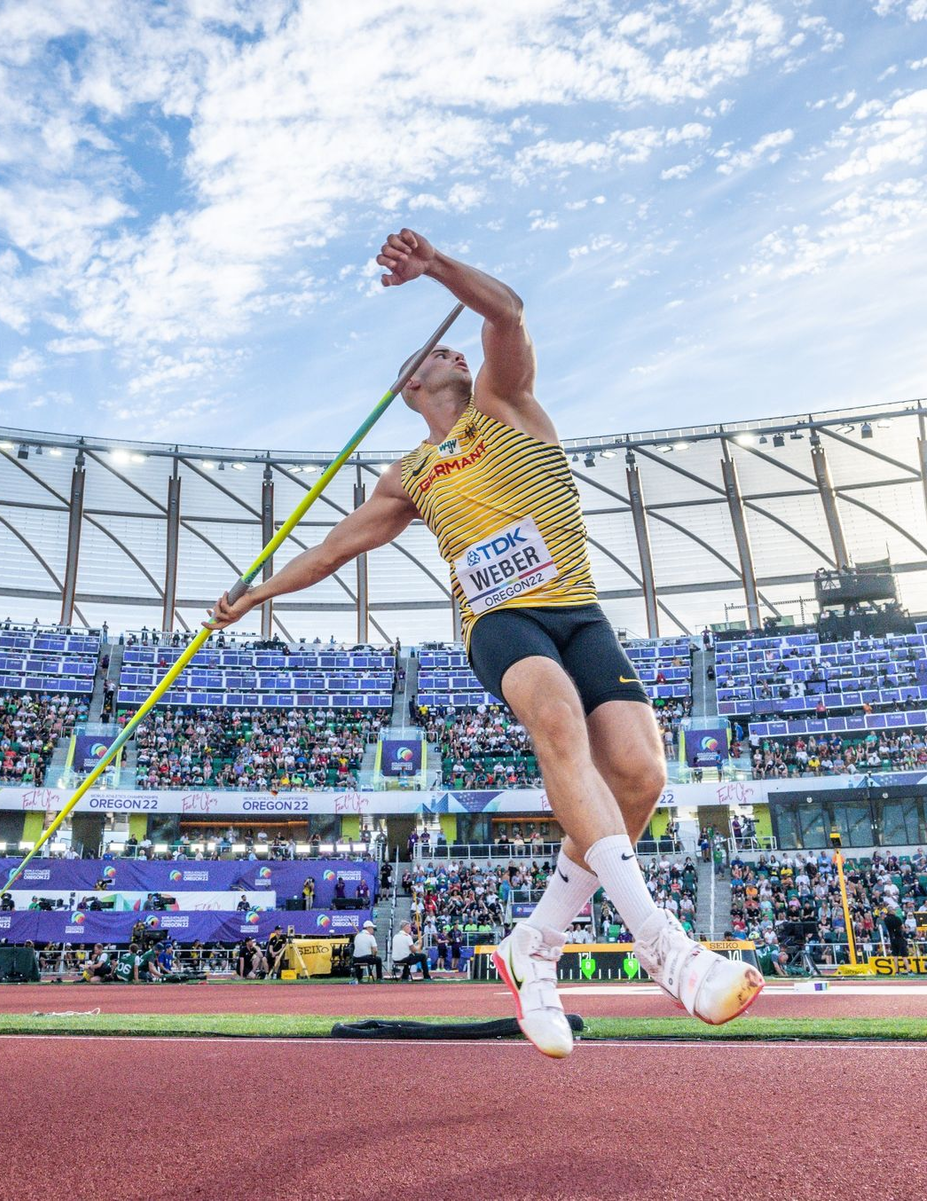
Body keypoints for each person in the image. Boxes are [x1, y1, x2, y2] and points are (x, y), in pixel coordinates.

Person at [203, 227, 762, 1058]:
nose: (458, 351)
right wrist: (253, 596)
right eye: (440, 354)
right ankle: (665, 947)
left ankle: (533, 943)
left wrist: (434, 268)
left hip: (577, 609)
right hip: (500, 619)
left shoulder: (504, 402)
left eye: (458, 349)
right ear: (412, 384)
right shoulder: (407, 476)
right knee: (558, 720)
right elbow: (328, 553)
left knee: (641, 773)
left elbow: (507, 311)